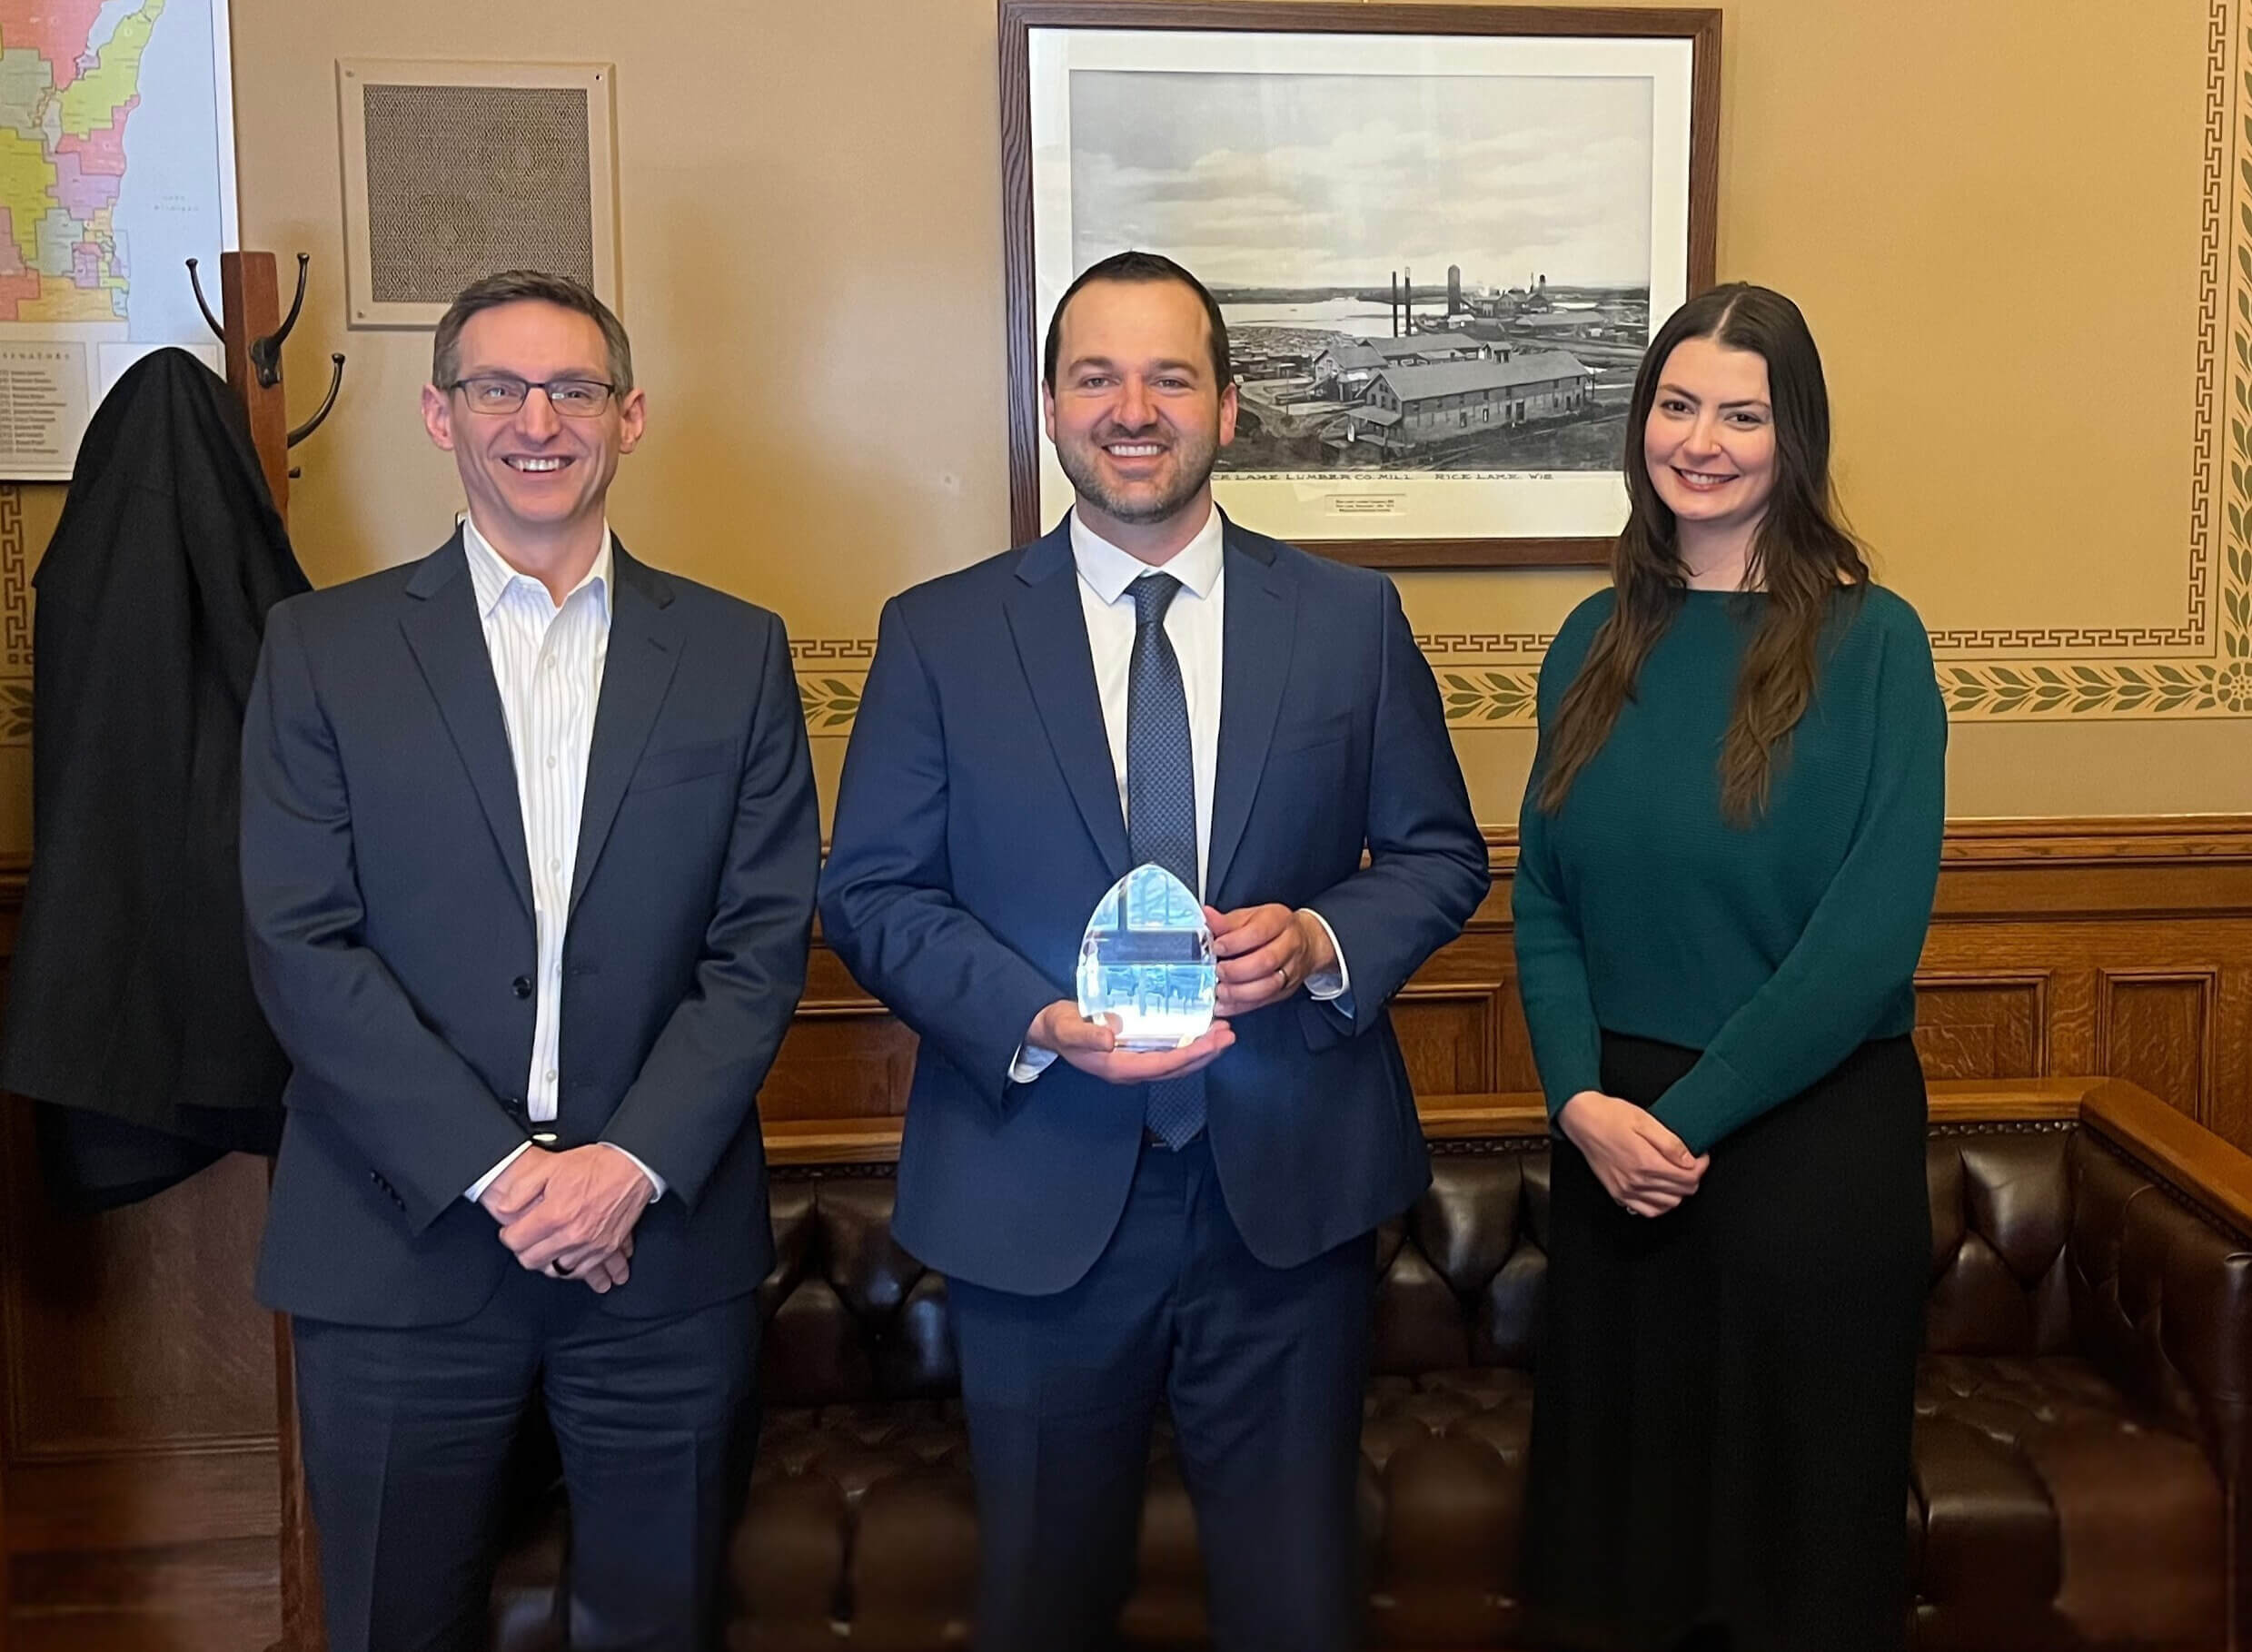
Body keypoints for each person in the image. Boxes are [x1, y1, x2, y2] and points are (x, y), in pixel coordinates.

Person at [819, 250, 1486, 1651]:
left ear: (1230, 408)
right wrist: (1031, 1017)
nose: (1134, 407)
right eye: (1097, 376)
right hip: (1036, 1186)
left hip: (1287, 1200)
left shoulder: (1350, 622)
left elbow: (1439, 857)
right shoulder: (939, 634)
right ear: (1052, 408)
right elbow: (875, 893)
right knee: (1043, 1606)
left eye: (1170, 375)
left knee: (1298, 1606)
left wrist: (1316, 936)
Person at [240, 270, 819, 1651]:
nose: (535, 420)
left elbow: (758, 945)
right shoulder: (322, 651)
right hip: (395, 1249)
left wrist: (621, 1171)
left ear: (631, 417)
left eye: (571, 389)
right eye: (498, 387)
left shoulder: (734, 654)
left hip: (659, 1253)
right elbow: (299, 941)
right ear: (440, 416)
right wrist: (507, 1179)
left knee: (661, 1625)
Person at [1513, 282, 1945, 1652]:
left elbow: (1868, 942)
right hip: (1611, 1162)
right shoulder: (1593, 639)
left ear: (1792, 437)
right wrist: (1581, 1105)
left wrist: (1678, 1126)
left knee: (1791, 1564)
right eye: (1678, 404)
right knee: (1620, 1553)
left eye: (1742, 413)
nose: (1702, 439)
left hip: (1804, 1154)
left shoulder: (1875, 644)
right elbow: (1542, 902)